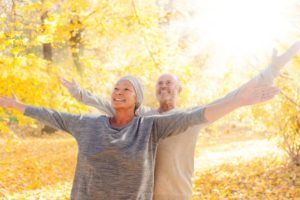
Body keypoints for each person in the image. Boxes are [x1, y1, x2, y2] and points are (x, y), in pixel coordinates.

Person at [59, 41, 300, 200]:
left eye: (169, 83)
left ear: (178, 89)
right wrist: (79, 94)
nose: (163, 86)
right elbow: (109, 104)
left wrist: (272, 69)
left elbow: (235, 95)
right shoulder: (144, 117)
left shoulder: (192, 118)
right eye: (159, 83)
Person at [0, 70, 278, 199]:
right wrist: (17, 105)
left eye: (126, 89)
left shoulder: (150, 126)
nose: (118, 93)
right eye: (116, 89)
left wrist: (239, 101)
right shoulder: (89, 124)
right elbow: (54, 116)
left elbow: (198, 115)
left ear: (137, 100)